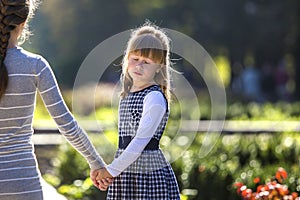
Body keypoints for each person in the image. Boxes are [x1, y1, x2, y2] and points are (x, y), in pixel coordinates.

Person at [0, 0, 108, 199]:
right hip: (23, 184)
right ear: (24, 22)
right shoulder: (35, 66)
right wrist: (97, 163)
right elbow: (66, 123)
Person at [91, 22, 181, 199]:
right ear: (127, 59)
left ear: (159, 67)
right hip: (126, 170)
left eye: (147, 62)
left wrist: (110, 171)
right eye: (135, 59)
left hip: (146, 174)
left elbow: (140, 141)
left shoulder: (154, 97)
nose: (139, 66)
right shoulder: (127, 94)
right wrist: (113, 171)